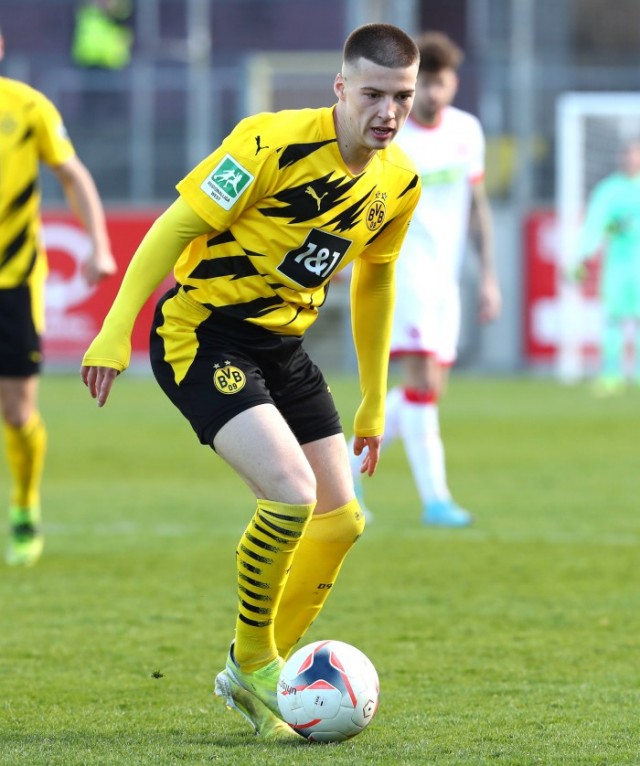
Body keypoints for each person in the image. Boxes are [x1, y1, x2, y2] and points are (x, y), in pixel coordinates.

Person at [80, 23, 421, 739]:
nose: (388, 112)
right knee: (292, 492)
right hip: (201, 333)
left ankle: (254, 670)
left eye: (402, 97)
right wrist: (115, 328)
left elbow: (376, 281)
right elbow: (175, 226)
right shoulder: (269, 142)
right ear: (340, 88)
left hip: (283, 347)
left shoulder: (399, 182)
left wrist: (373, 396)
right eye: (372, 95)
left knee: (343, 519)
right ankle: (263, 665)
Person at [350, 31, 500, 527]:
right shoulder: (394, 137)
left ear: (454, 83)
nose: (434, 93)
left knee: (429, 391)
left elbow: (477, 207)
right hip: (402, 272)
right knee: (420, 385)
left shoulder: (467, 132)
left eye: (442, 82)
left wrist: (488, 276)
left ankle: (343, 471)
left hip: (445, 280)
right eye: (426, 84)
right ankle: (436, 500)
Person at [0, 26, 117, 567]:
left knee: (17, 411)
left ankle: (25, 506)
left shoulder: (28, 107)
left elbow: (71, 174)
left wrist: (98, 243)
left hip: (15, 279)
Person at [575, 139, 640, 395]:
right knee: (613, 319)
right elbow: (594, 224)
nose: (633, 159)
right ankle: (610, 375)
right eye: (629, 154)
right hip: (618, 264)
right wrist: (584, 255)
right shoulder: (609, 190)